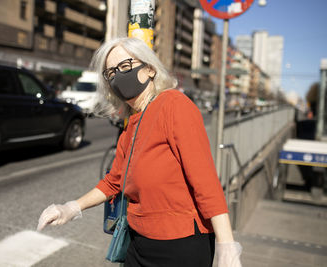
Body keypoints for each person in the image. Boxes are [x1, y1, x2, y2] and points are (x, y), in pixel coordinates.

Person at [37, 37, 242, 267]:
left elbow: (205, 181)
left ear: (150, 69)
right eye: (110, 73)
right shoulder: (132, 123)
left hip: (180, 245)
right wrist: (71, 208)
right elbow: (114, 182)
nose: (117, 76)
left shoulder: (174, 105)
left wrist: (227, 245)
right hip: (138, 240)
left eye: (124, 67)